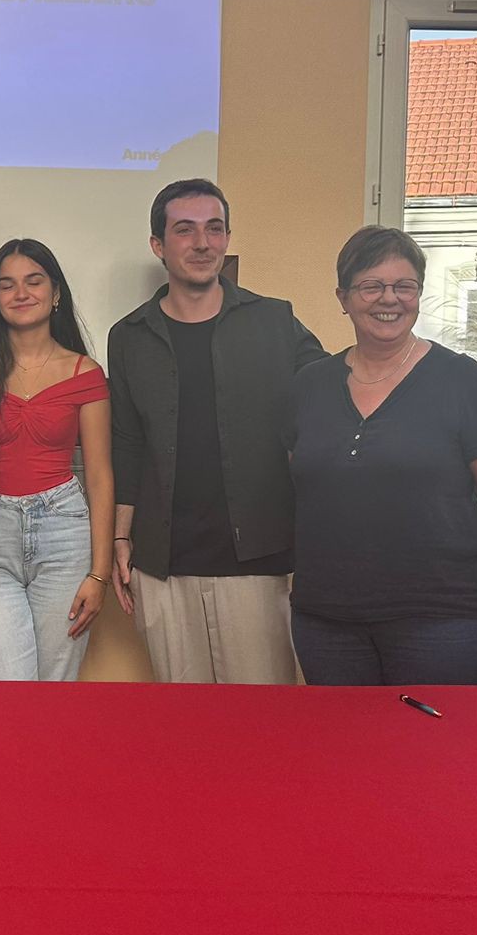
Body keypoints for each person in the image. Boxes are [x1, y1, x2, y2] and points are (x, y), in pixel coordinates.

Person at [107, 178, 327, 684]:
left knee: (261, 720)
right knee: (182, 721)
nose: (202, 243)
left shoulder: (274, 321)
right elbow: (128, 443)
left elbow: (329, 400)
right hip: (162, 564)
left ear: (227, 238)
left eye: (214, 228)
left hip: (258, 564)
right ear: (158, 245)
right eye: (185, 230)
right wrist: (120, 536)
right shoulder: (129, 336)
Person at [287, 225, 477, 685]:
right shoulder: (309, 386)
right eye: (371, 286)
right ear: (343, 297)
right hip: (327, 625)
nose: (389, 299)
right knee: (342, 735)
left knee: (432, 735)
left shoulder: (462, 380)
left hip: (441, 625)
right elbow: (301, 486)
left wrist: (454, 578)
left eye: (404, 286)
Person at [0, 240, 113, 681]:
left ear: (56, 293)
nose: (21, 293)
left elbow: (99, 477)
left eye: (34, 281)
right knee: (6, 690)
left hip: (65, 537)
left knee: (55, 689)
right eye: (7, 285)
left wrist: (99, 574)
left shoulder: (85, 373)